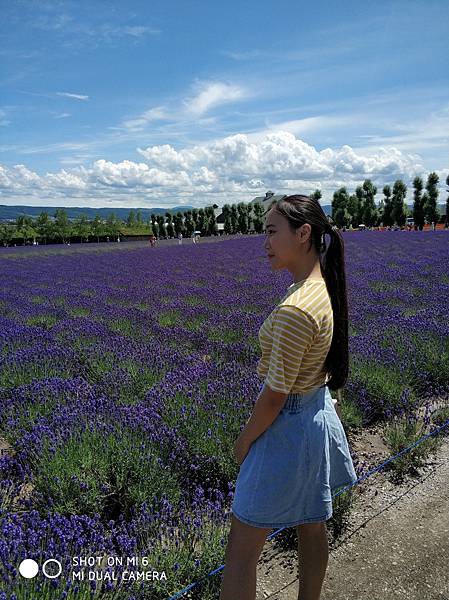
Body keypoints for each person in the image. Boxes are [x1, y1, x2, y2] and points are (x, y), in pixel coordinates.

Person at [220, 194, 357, 600]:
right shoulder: (321, 289)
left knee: (242, 548)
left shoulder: (296, 309)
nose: (265, 242)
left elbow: (275, 397)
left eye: (271, 232)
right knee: (312, 523)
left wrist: (244, 442)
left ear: (303, 233)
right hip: (315, 412)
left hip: (289, 427)